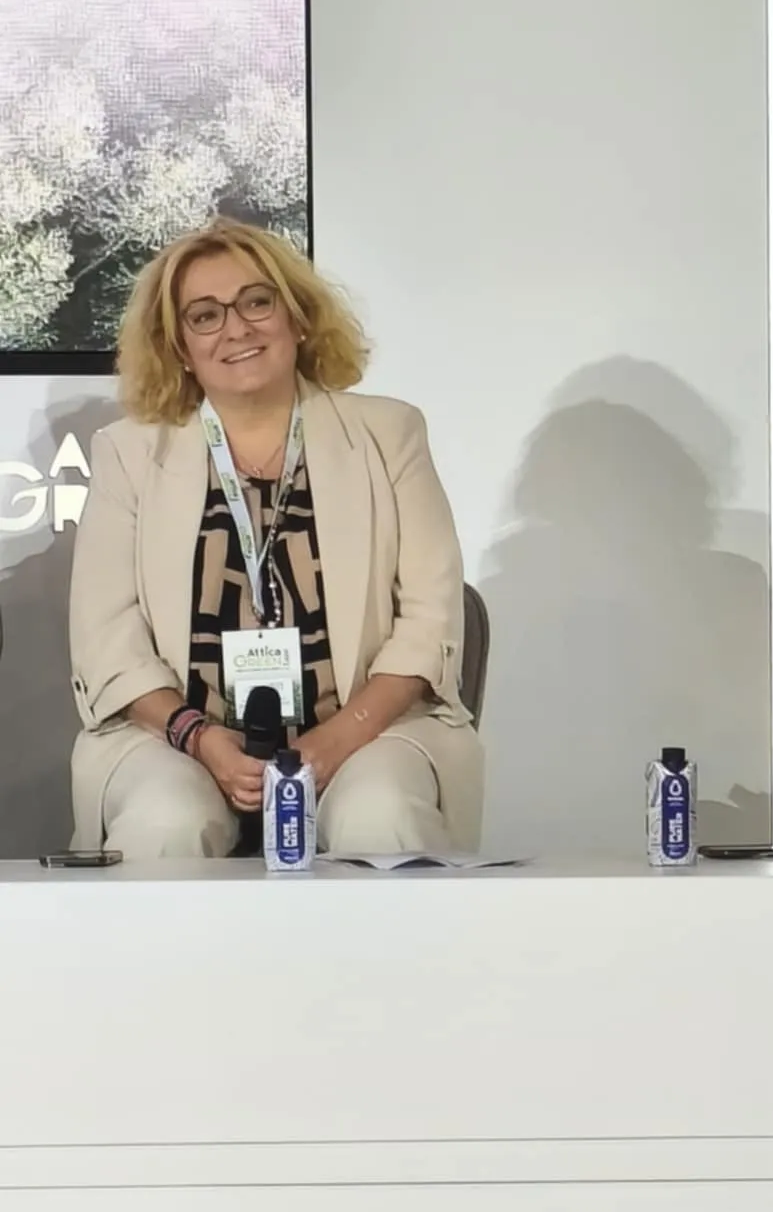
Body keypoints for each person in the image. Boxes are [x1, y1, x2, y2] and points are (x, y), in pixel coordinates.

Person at [69, 217, 483, 860]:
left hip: (369, 731)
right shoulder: (127, 454)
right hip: (176, 738)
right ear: (180, 346)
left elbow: (430, 622)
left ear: (298, 318)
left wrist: (337, 740)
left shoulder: (390, 434)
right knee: (166, 821)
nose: (236, 328)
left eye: (256, 302)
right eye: (205, 316)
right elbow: (107, 641)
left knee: (378, 813)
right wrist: (200, 738)